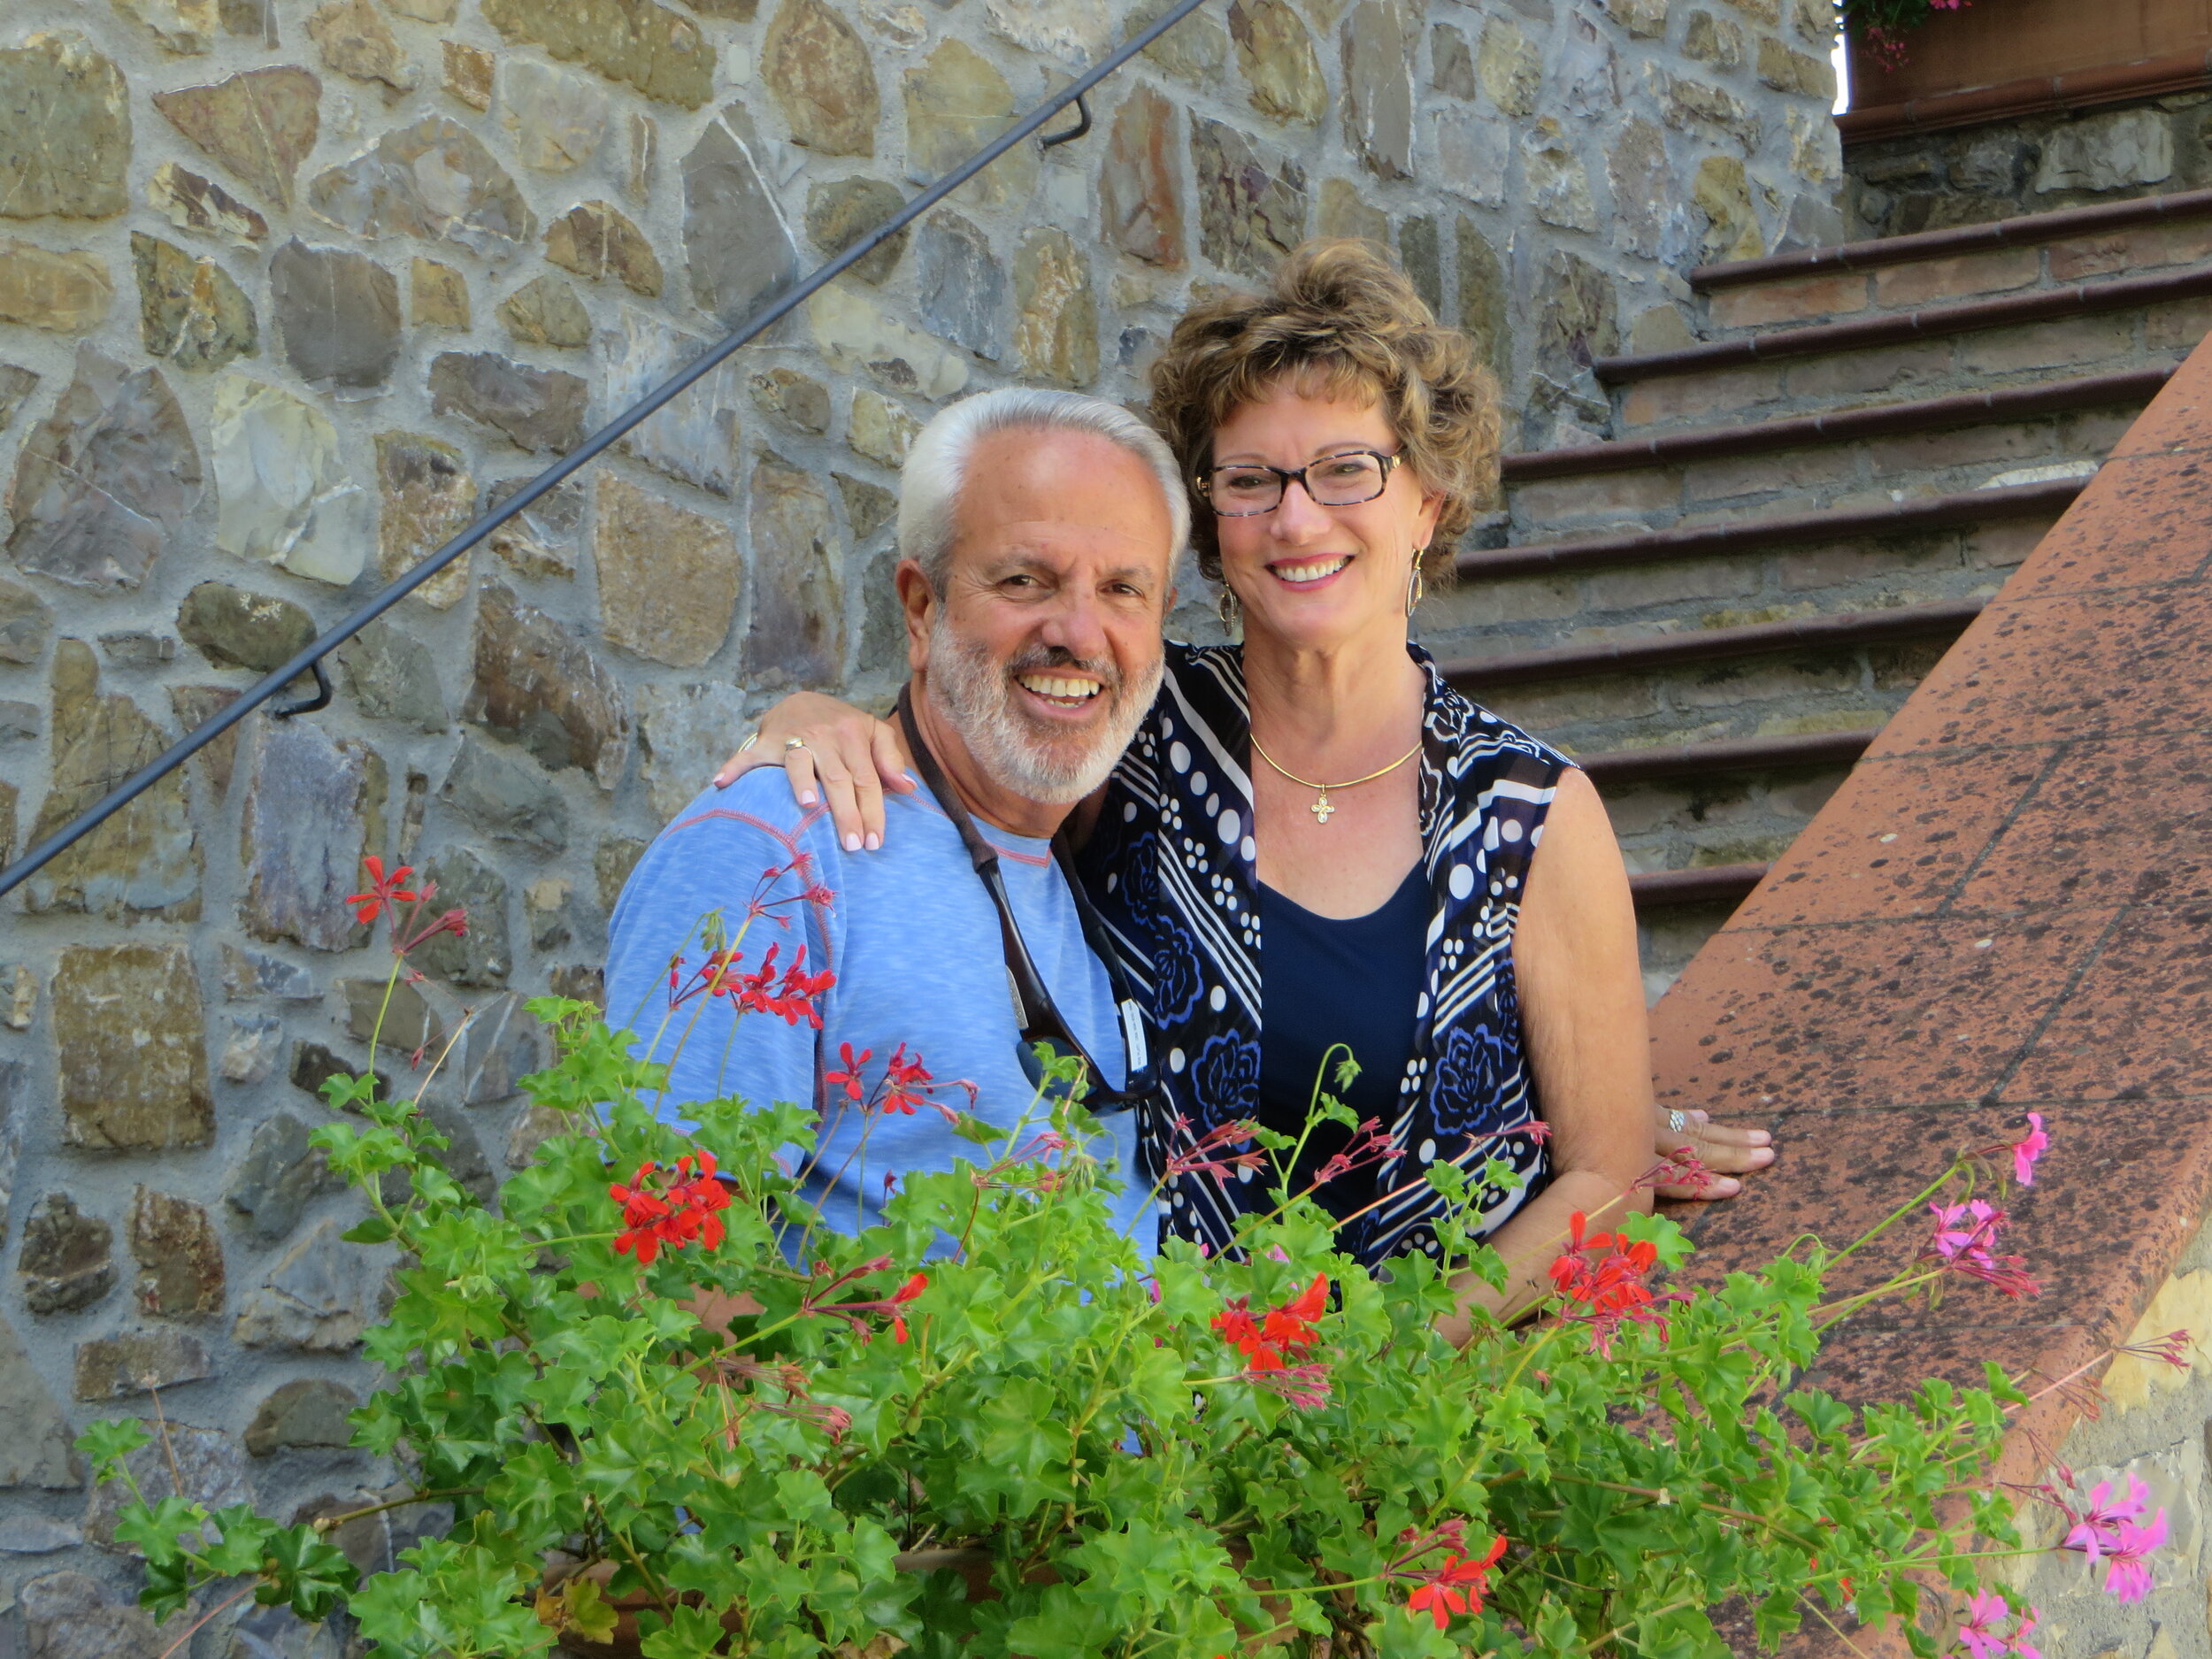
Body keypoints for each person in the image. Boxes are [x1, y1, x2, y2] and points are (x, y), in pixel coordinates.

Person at [718, 242, 1774, 1325]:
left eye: (1346, 469)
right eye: (1251, 481)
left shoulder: (1526, 812)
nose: (1297, 518)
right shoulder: (1123, 719)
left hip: (1402, 1412)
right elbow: (950, 733)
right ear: (1214, 529)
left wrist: (1384, 1362)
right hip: (1142, 1409)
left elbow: (1603, 1177)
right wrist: (811, 721)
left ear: (1427, 505)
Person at [603, 387, 1187, 1246]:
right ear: (921, 608)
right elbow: (665, 1262)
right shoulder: (780, 845)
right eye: (1025, 579)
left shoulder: (1106, 855)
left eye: (1123, 589)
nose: (1078, 632)